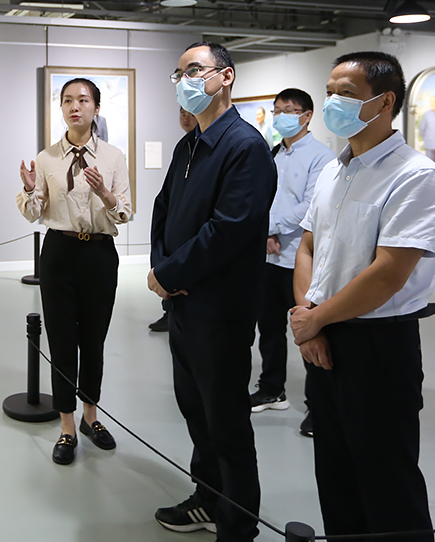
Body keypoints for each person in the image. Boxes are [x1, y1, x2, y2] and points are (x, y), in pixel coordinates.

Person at [289, 51, 435, 542]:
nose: (332, 102)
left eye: (347, 94)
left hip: (379, 344)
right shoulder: (334, 170)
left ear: (385, 102)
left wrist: (316, 320)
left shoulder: (414, 175)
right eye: (329, 92)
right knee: (335, 471)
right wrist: (309, 321)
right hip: (323, 334)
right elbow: (308, 247)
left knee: (386, 478)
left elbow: (388, 274)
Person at [148, 42, 276, 539]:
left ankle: (237, 524)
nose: (184, 80)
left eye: (194, 70)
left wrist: (173, 274)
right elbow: (164, 209)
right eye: (178, 72)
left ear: (225, 76)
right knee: (195, 410)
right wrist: (163, 267)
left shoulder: (245, 146)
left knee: (226, 422)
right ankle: (207, 498)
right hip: (183, 304)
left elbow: (229, 229)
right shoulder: (190, 144)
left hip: (220, 309)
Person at [18, 78, 131, 465]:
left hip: (99, 255)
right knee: (63, 341)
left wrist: (106, 195)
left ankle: (91, 417)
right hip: (59, 253)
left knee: (94, 341)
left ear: (96, 108)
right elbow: (34, 213)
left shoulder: (113, 157)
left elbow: (125, 212)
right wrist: (30, 189)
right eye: (67, 100)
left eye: (83, 100)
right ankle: (66, 426)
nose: (74, 107)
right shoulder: (47, 157)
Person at [251, 88, 334, 438]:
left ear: (307, 116)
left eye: (289, 110)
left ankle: (320, 405)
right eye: (277, 110)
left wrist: (270, 227)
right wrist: (265, 233)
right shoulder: (272, 153)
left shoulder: (322, 157)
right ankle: (272, 388)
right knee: (269, 328)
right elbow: (262, 196)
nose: (281, 116)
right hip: (270, 256)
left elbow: (311, 206)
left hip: (302, 259)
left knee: (309, 331)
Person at [149, 107, 197, 334]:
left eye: (190, 114)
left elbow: (223, 228)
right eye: (182, 113)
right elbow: (163, 205)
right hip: (172, 257)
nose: (186, 118)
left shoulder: (240, 146)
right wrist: (159, 264)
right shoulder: (183, 147)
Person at [418, 95, 435, 166]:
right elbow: (421, 129)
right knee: (430, 166)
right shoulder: (426, 115)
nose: (433, 103)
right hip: (429, 145)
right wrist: (427, 139)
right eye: (432, 101)